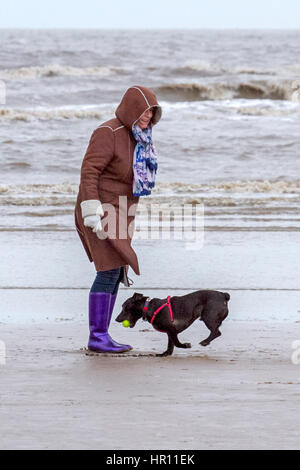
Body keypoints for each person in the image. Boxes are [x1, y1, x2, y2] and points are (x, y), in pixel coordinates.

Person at [74, 86, 162, 353]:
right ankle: (97, 336)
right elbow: (89, 170)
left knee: (117, 270)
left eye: (152, 111)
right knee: (109, 268)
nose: (147, 115)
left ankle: (102, 335)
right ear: (130, 108)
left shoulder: (140, 137)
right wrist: (91, 209)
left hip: (122, 209)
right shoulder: (107, 132)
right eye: (144, 110)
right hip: (99, 209)